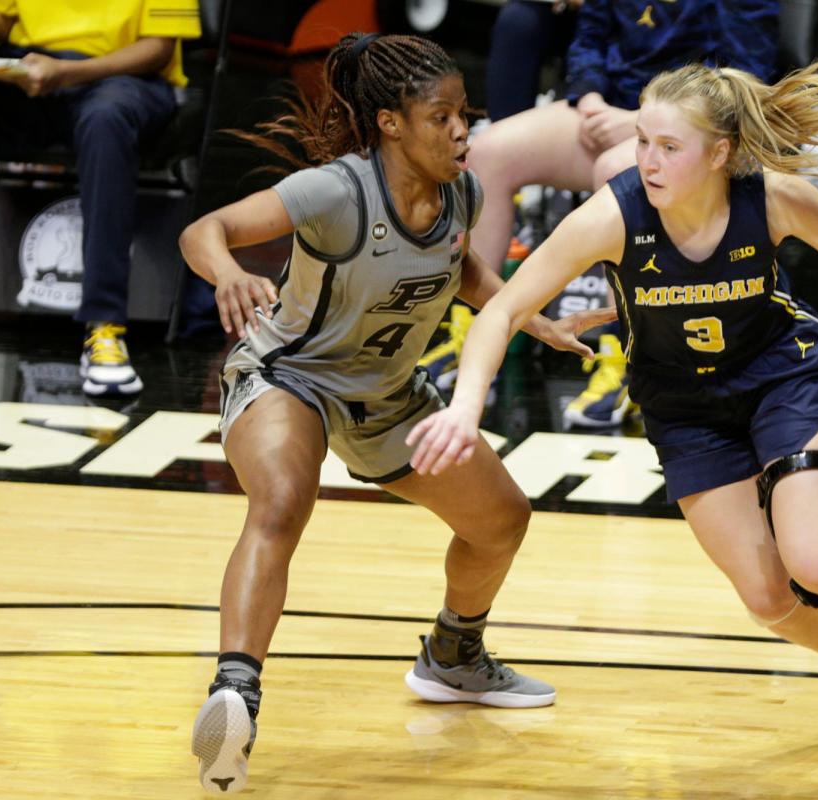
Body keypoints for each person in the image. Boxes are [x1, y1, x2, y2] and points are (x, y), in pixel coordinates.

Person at [408, 55, 818, 748]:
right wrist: (465, 405)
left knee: (817, 562)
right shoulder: (614, 216)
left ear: (720, 152)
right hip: (684, 409)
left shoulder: (773, 198)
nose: (649, 162)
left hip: (782, 380)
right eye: (643, 143)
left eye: (669, 147)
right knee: (769, 598)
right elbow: (501, 312)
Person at [178, 33, 612, 793]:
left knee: (502, 520)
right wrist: (227, 275)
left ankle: (453, 656)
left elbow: (466, 269)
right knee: (281, 501)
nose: (460, 131)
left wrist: (527, 315)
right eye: (440, 117)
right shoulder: (336, 192)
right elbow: (203, 230)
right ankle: (234, 696)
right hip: (292, 376)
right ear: (389, 124)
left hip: (386, 394)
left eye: (464, 114)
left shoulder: (463, 194)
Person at [418, 0, 780, 429]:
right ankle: (472, 335)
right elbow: (588, 38)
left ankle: (624, 361)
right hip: (607, 112)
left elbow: (745, 72)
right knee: (490, 152)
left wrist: (640, 123)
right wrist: (589, 97)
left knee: (618, 170)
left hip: (688, 129)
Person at [0, 0, 201, 396]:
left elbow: (157, 50)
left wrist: (69, 74)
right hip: (30, 72)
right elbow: (2, 25)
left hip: (122, 78)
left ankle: (105, 327)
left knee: (105, 119)